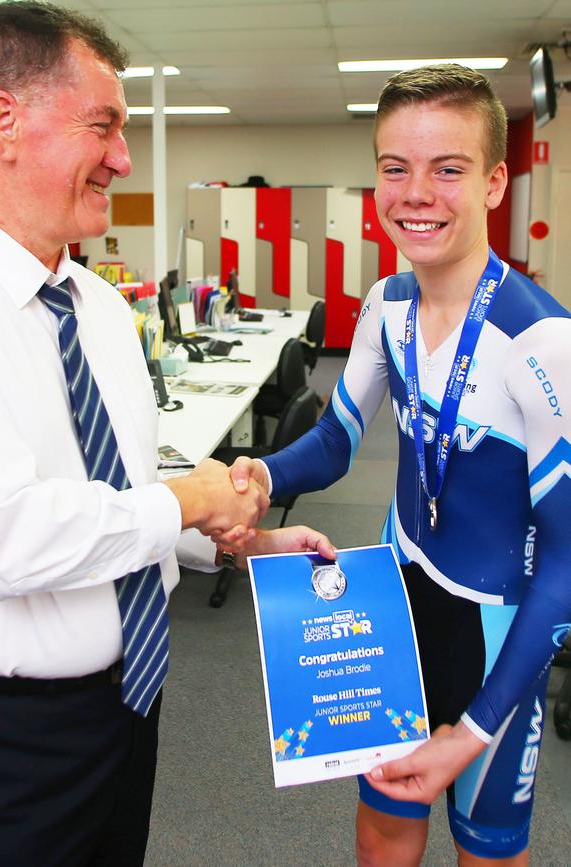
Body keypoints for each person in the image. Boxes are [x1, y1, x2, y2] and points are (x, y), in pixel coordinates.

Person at [0, 3, 337, 865]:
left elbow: (118, 491)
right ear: (5, 121)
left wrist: (234, 540)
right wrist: (194, 494)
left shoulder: (101, 307)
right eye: (103, 126)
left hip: (127, 715)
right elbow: (12, 537)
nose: (123, 156)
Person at [227, 64, 571, 866]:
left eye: (447, 169)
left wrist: (475, 730)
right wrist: (266, 477)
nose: (417, 192)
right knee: (382, 831)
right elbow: (338, 437)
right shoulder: (387, 302)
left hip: (497, 639)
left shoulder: (542, 343)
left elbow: (566, 560)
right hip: (393, 609)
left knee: (486, 850)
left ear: (494, 182)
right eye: (395, 167)